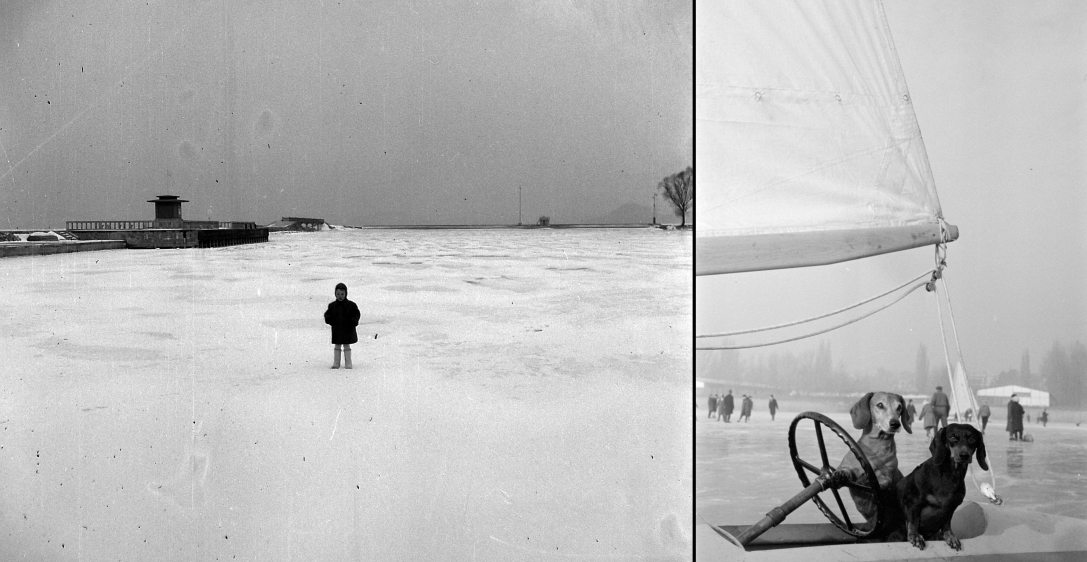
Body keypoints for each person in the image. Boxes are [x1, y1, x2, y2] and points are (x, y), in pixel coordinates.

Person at [324, 282, 360, 369]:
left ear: (346, 294)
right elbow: (327, 315)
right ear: (335, 294)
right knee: (337, 345)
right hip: (337, 329)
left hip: (348, 329)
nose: (340, 296)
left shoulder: (351, 305)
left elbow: (356, 314)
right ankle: (336, 363)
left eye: (342, 294)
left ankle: (348, 363)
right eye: (338, 294)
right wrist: (330, 320)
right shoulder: (332, 306)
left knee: (347, 345)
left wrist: (353, 321)